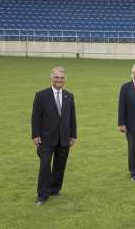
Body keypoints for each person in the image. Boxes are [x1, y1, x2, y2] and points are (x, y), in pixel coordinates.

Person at [31, 66, 77, 205]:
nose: (59, 80)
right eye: (56, 77)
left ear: (65, 80)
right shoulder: (41, 95)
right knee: (45, 166)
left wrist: (73, 135)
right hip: (45, 139)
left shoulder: (69, 96)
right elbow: (35, 117)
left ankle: (55, 189)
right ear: (51, 78)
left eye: (61, 78)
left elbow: (72, 117)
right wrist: (35, 134)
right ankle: (42, 195)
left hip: (64, 138)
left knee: (59, 166)